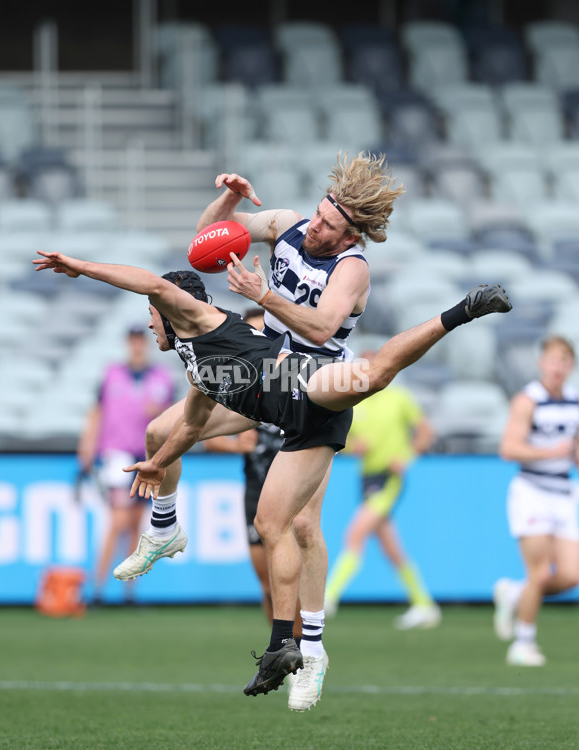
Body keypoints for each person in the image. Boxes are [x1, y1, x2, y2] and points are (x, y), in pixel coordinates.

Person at [33, 246, 512, 702]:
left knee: (375, 373)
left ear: (170, 310)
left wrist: (80, 265)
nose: (150, 324)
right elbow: (194, 425)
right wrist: (158, 466)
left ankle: (463, 310)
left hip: (300, 388)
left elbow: (149, 283)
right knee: (206, 471)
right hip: (282, 414)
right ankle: (192, 554)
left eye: (153, 315)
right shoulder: (195, 363)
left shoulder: (197, 318)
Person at [112, 151, 405, 711]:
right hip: (262, 374)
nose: (316, 225)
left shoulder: (352, 269)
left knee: (301, 525)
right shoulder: (288, 225)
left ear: (352, 235)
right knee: (160, 433)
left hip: (313, 388)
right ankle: (165, 528)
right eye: (319, 215)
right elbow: (207, 240)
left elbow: (321, 327)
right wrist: (228, 198)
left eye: (330, 225)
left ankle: (312, 653)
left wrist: (262, 296)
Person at [204, 307, 304, 649]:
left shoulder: (291, 372)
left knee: (292, 584)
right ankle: (282, 651)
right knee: (268, 585)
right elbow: (201, 432)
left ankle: (307, 651)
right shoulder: (236, 380)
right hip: (255, 488)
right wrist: (234, 445)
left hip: (292, 485)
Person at [324, 370, 440, 629]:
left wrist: (407, 457)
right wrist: (354, 448)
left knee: (355, 535)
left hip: (389, 477)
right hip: (367, 478)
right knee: (391, 548)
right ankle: (424, 604)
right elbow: (345, 442)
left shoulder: (398, 398)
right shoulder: (354, 403)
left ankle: (328, 597)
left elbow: (425, 431)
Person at [494, 335, 579, 667]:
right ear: (542, 363)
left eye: (564, 361)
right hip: (531, 491)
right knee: (540, 573)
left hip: (563, 492)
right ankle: (523, 643)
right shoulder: (528, 400)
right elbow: (508, 449)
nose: (557, 367)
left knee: (572, 575)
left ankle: (514, 595)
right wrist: (550, 452)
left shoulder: (574, 400)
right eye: (552, 360)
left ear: (570, 366)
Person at [76, 324, 176, 602]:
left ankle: (128, 589)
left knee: (134, 524)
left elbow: (176, 416)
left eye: (139, 340)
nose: (136, 345)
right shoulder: (112, 374)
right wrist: (87, 446)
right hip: (116, 454)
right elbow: (97, 412)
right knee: (118, 519)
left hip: (147, 455)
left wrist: (161, 412)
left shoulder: (162, 378)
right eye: (132, 340)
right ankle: (97, 586)